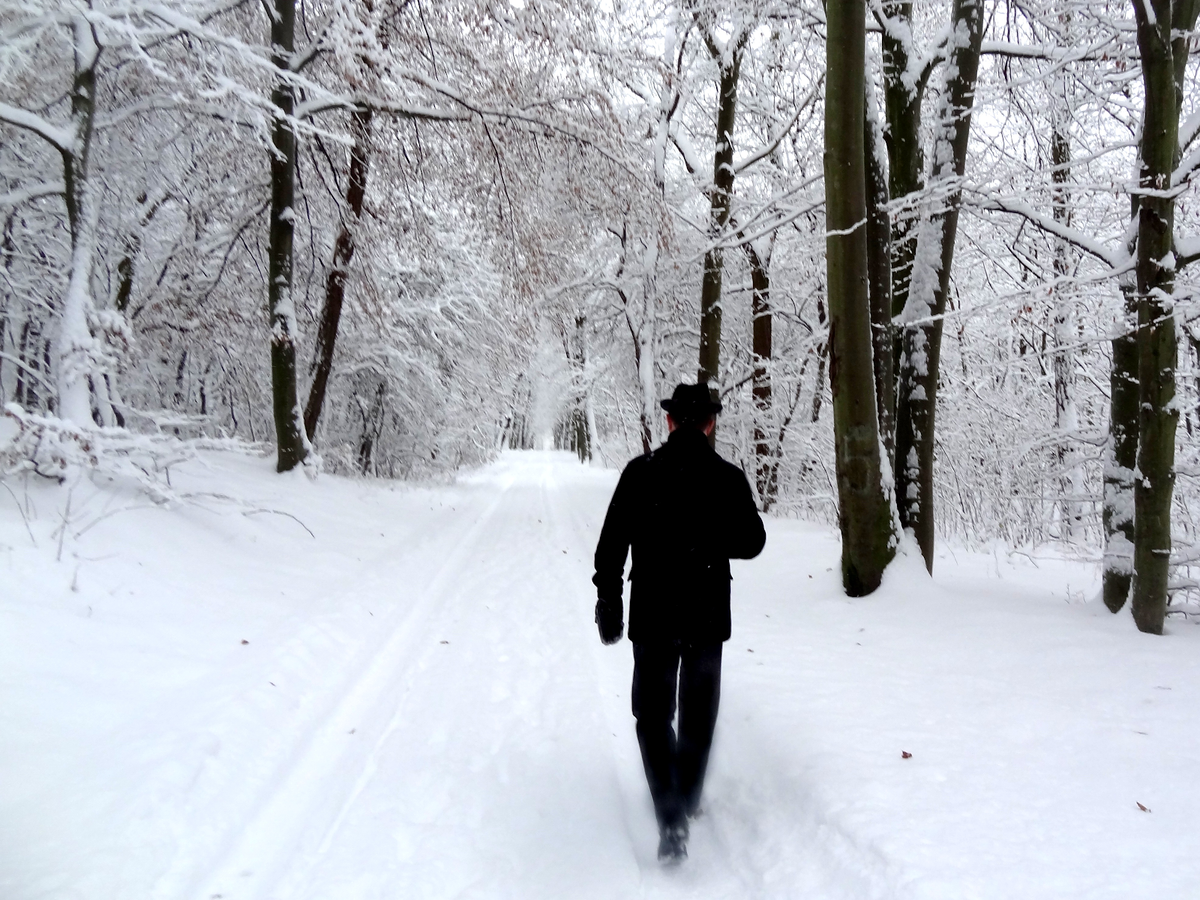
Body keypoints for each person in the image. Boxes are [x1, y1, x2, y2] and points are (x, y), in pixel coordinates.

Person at [592, 382, 766, 863]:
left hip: (653, 611)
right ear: (710, 424)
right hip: (708, 614)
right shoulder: (728, 477)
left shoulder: (640, 473)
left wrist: (608, 595)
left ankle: (670, 818)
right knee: (698, 713)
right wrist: (709, 538)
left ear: (670, 421)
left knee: (652, 716)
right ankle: (686, 799)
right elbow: (753, 541)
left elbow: (612, 542)